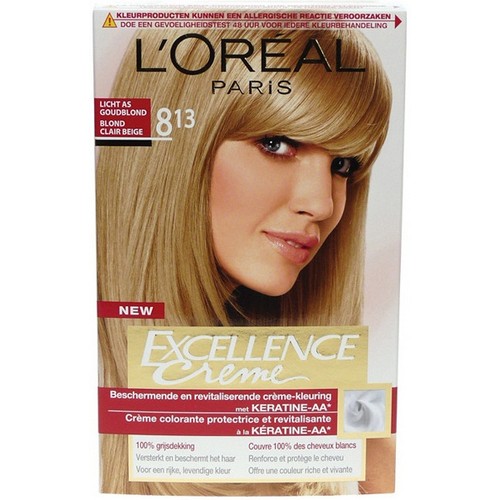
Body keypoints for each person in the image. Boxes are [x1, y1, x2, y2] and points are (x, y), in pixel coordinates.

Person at [97, 26, 393, 495]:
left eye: (342, 165)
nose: (322, 204)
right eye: (276, 143)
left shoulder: (348, 429)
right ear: (175, 150)